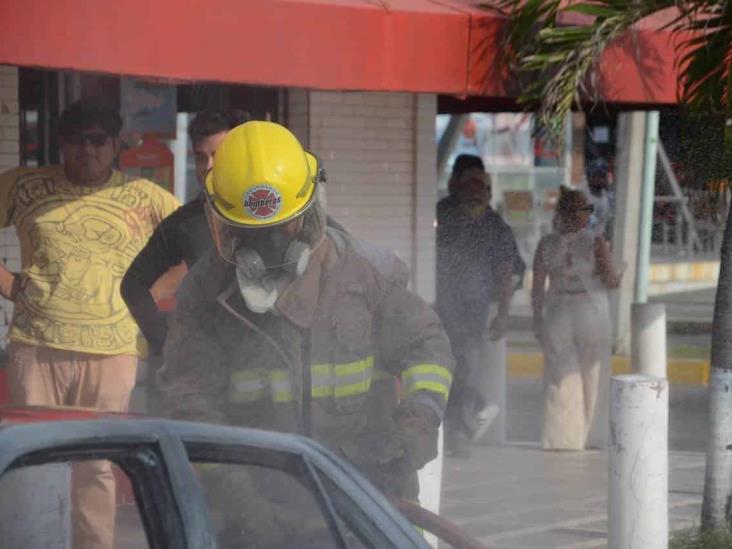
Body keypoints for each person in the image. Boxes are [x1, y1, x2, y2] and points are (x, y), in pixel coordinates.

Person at [157, 121, 454, 544]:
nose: (270, 247)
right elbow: (189, 407)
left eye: (283, 228)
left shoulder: (366, 276)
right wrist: (241, 499)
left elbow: (428, 347)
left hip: (370, 502)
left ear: (310, 210)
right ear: (220, 220)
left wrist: (417, 424)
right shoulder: (205, 297)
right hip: (262, 520)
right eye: (252, 233)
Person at [0, 99, 180, 548]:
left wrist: (147, 295)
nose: (87, 149)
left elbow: (196, 247)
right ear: (60, 144)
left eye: (98, 139)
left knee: (94, 465)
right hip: (38, 348)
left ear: (116, 144)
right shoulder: (24, 186)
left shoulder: (145, 197)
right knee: (33, 460)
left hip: (112, 349)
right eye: (76, 140)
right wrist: (9, 285)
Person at [121, 109, 250, 357]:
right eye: (201, 158)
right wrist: (165, 341)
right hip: (208, 365)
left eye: (218, 155)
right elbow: (132, 285)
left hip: (263, 356)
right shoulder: (185, 223)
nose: (209, 167)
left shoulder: (266, 209)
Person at [436, 154, 523, 458]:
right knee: (443, 372)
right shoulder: (440, 216)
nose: (475, 191)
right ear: (455, 186)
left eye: (481, 185)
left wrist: (503, 314)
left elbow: (506, 271)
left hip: (474, 315)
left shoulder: (495, 226)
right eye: (468, 184)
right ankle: (450, 431)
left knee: (465, 371)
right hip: (437, 311)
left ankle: (459, 433)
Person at [532, 187, 621, 451]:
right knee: (595, 373)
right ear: (580, 214)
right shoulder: (595, 241)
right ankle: (594, 436)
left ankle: (563, 439)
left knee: (559, 375)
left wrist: (537, 319)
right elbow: (610, 280)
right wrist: (619, 275)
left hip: (558, 312)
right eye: (587, 210)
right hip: (590, 312)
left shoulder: (545, 244)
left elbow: (537, 287)